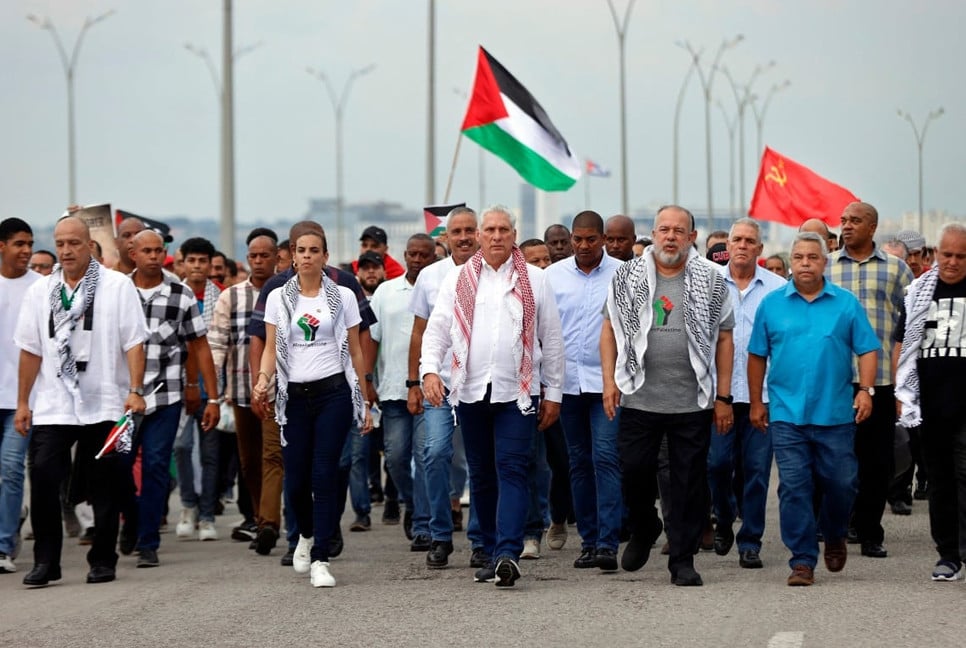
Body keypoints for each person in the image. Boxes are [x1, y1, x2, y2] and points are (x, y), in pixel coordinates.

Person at [421, 206, 564, 587]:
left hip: (517, 392)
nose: (497, 235)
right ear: (481, 236)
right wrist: (430, 370)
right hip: (469, 390)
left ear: (514, 235)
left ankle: (507, 553)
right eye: (490, 230)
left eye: (504, 229)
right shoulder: (457, 279)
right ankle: (486, 548)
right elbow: (437, 331)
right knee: (481, 474)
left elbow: (550, 340)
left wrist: (554, 393)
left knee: (514, 469)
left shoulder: (535, 279)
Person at [601, 205, 735, 587]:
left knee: (688, 482)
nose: (670, 236)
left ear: (692, 237)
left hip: (691, 400)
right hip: (639, 397)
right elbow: (609, 328)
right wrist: (610, 382)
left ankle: (682, 559)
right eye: (664, 229)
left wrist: (723, 397)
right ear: (654, 234)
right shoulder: (626, 276)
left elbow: (725, 336)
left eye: (679, 230)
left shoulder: (711, 279)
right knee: (633, 470)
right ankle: (645, 526)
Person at [14, 215, 148, 586]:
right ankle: (46, 562)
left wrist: (135, 390)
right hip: (54, 401)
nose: (66, 250)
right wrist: (23, 402)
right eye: (60, 244)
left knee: (104, 484)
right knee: (42, 478)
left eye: (74, 243)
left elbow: (134, 341)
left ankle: (102, 560)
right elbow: (30, 350)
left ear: (90, 245)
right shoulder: (41, 291)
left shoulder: (116, 285)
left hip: (105, 399)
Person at [749, 231, 879, 586]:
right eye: (799, 257)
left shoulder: (845, 304)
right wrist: (757, 402)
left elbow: (867, 349)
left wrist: (866, 390)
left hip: (835, 414)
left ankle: (835, 533)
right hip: (787, 415)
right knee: (793, 486)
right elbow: (757, 355)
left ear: (825, 261)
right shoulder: (772, 304)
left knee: (841, 483)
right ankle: (802, 560)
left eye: (813, 257)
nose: (805, 263)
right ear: (791, 262)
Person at [248, 221, 377, 566]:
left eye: (314, 251)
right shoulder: (278, 296)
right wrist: (263, 378)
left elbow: (356, 350)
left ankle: (320, 557)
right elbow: (271, 346)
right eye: (301, 251)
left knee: (324, 472)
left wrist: (363, 399)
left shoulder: (343, 295)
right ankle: (304, 534)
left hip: (332, 393)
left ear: (325, 256)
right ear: (292, 256)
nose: (307, 257)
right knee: (296, 479)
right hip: (293, 398)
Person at [126, 230, 220, 567]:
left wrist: (212, 397)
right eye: (146, 251)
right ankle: (131, 521)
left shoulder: (179, 294)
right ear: (132, 252)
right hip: (124, 400)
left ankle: (148, 541)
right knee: (118, 467)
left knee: (155, 466)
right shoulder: (118, 292)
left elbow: (199, 346)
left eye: (158, 251)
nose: (153, 256)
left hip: (166, 396)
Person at [826, 201, 913, 558]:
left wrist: (905, 383)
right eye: (843, 220)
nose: (846, 226)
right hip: (833, 379)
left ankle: (870, 530)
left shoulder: (897, 270)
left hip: (878, 380)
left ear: (872, 227)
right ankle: (839, 524)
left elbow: (910, 325)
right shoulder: (826, 267)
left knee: (877, 460)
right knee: (836, 459)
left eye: (855, 221)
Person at [546, 211, 623, 571]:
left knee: (605, 458)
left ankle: (609, 542)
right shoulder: (553, 276)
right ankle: (589, 541)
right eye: (577, 239)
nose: (582, 245)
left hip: (609, 383)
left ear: (604, 239)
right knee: (578, 462)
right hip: (567, 383)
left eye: (591, 239)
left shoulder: (623, 275)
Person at [707, 218, 786, 569]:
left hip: (762, 396)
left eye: (748, 240)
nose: (741, 245)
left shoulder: (778, 289)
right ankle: (723, 519)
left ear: (759, 248)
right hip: (718, 394)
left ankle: (750, 541)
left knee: (756, 470)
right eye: (736, 239)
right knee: (717, 463)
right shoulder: (709, 284)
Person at [407, 207, 483, 567]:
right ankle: (439, 534)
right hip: (439, 385)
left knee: (480, 461)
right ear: (446, 237)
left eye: (470, 230)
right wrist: (416, 380)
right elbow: (420, 333)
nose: (464, 237)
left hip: (481, 386)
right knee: (434, 455)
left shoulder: (494, 273)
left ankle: (481, 538)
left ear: (480, 233)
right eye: (457, 231)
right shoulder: (430, 277)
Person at [895, 222, 966, 581]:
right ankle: (948, 556)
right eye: (946, 254)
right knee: (940, 483)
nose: (952, 262)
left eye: (960, 256)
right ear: (936, 254)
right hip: (931, 408)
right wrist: (900, 393)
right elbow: (902, 344)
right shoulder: (919, 291)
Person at [209, 232, 279, 555]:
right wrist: (214, 389)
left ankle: (268, 522)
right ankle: (256, 515)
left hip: (279, 392)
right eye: (254, 256)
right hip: (240, 390)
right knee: (249, 461)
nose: (259, 261)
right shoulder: (231, 297)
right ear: (247, 258)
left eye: (266, 255)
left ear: (277, 256)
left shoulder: (286, 291)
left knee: (271, 457)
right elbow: (217, 343)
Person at [369, 233, 436, 545]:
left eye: (425, 255)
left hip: (429, 388)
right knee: (395, 457)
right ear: (405, 255)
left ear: (433, 257)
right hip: (393, 388)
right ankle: (411, 501)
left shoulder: (440, 287)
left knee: (425, 456)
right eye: (413, 254)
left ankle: (423, 523)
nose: (418, 260)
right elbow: (372, 338)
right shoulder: (385, 292)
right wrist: (366, 379)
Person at [173, 237, 223, 542]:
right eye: (191, 261)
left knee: (210, 454)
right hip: (177, 386)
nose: (197, 267)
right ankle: (188, 505)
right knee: (181, 447)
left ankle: (206, 515)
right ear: (183, 262)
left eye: (202, 261)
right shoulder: (174, 295)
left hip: (213, 387)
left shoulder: (221, 298)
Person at [0, 218, 41, 574]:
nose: (26, 250)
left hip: (23, 398)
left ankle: (3, 545)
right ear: (2, 246)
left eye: (29, 243)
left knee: (11, 469)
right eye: (19, 244)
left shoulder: (40, 288)